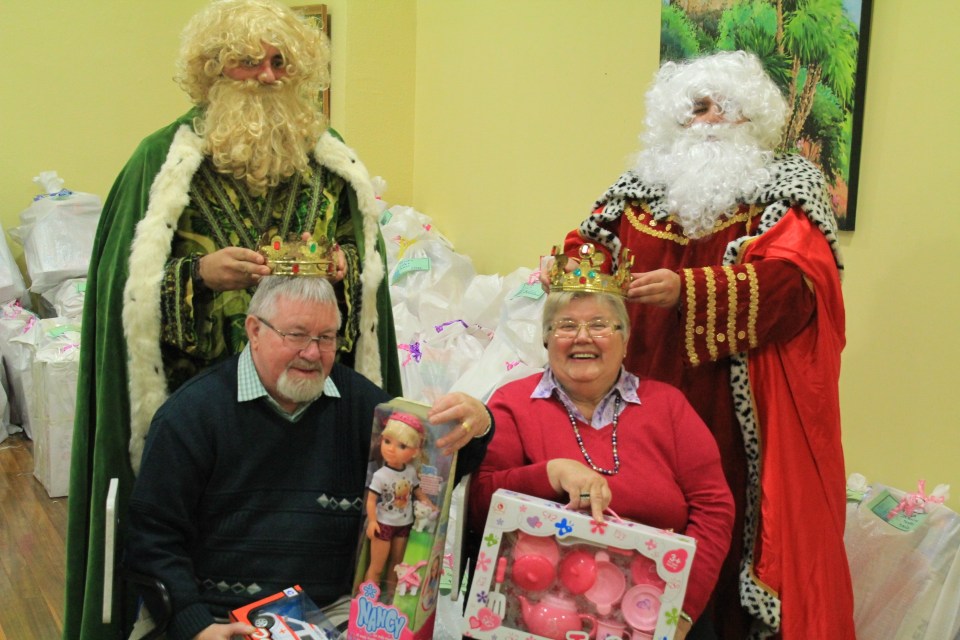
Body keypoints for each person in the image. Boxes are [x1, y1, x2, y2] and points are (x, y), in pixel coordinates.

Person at [63, 2, 402, 638]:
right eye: (250, 62)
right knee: (181, 534)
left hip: (311, 411)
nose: (269, 76)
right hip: (200, 418)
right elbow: (122, 298)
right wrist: (197, 275)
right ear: (214, 70)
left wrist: (343, 269)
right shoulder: (161, 162)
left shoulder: (331, 165)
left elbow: (367, 290)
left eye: (282, 63)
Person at [547, 50, 852, 638]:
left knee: (721, 527)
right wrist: (567, 269)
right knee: (626, 518)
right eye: (696, 108)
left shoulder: (786, 189)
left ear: (751, 119)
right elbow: (590, 249)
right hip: (632, 397)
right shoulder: (634, 192)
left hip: (730, 410)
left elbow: (797, 286)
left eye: (723, 107)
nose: (708, 119)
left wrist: (693, 289)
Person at [125, 276, 493, 640]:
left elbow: (436, 463)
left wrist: (478, 426)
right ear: (254, 331)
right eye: (297, 335)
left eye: (326, 338)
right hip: (222, 618)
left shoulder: (363, 406)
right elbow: (152, 537)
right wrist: (197, 626)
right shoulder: (191, 414)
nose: (313, 353)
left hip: (333, 614)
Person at [470, 256, 735, 640]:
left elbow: (714, 510)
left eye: (599, 325)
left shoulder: (670, 405)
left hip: (655, 613)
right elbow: (480, 504)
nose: (582, 337)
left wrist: (680, 613)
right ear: (546, 339)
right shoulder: (511, 402)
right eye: (566, 326)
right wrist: (551, 474)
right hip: (538, 617)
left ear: (625, 340)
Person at [363, 411, 437, 591]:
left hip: (404, 524)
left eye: (401, 446)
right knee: (377, 566)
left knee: (397, 565)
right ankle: (367, 597)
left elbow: (417, 490)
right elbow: (371, 500)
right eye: (387, 441)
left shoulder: (410, 472)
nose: (390, 448)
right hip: (383, 524)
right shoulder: (381, 475)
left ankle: (390, 599)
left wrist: (429, 503)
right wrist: (372, 521)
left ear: (415, 451)